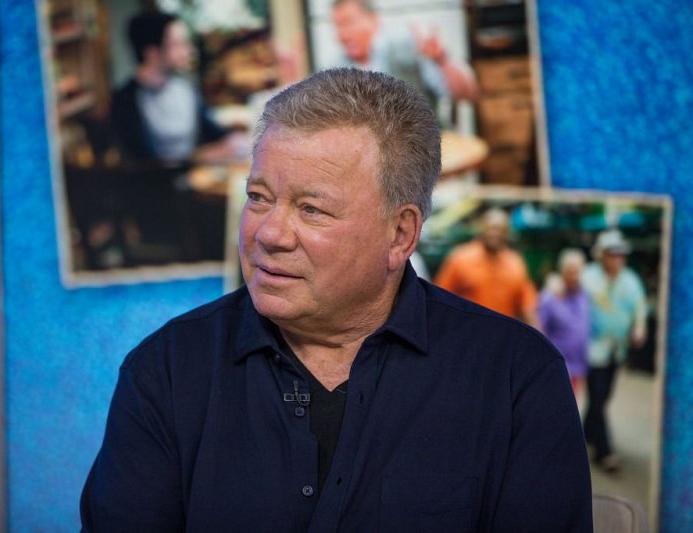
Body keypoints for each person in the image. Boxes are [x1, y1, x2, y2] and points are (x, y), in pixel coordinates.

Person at [80, 68, 591, 531]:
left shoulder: (516, 377)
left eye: (312, 209)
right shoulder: (164, 372)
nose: (270, 233)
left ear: (400, 234)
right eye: (258, 198)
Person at [110, 10, 246, 164]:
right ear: (152, 52)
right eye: (178, 43)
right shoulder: (125, 100)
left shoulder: (184, 89)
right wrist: (199, 157)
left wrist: (235, 140)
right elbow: (144, 162)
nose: (188, 50)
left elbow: (212, 131)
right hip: (160, 185)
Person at [328, 0, 477, 117]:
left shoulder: (412, 47)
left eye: (348, 23)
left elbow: (468, 93)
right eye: (337, 26)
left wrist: (441, 59)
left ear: (374, 19)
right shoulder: (335, 70)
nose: (342, 35)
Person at [582, 229, 647, 473]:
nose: (617, 258)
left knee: (603, 396)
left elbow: (639, 306)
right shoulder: (587, 277)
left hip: (616, 350)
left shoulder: (630, 280)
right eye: (612, 253)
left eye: (621, 254)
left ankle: (586, 432)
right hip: (592, 348)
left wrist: (639, 327)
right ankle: (604, 451)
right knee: (598, 398)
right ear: (601, 255)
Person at [433, 208, 540, 328]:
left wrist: (541, 338)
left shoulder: (515, 263)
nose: (496, 233)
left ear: (508, 233)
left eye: (501, 229)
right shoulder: (460, 258)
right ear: (481, 228)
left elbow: (527, 307)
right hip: (467, 333)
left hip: (501, 335)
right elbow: (439, 299)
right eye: (492, 228)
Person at [538, 248, 590, 395]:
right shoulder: (549, 297)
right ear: (562, 271)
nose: (575, 276)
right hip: (557, 368)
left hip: (578, 367)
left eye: (578, 271)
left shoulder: (584, 294)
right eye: (571, 271)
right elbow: (539, 330)